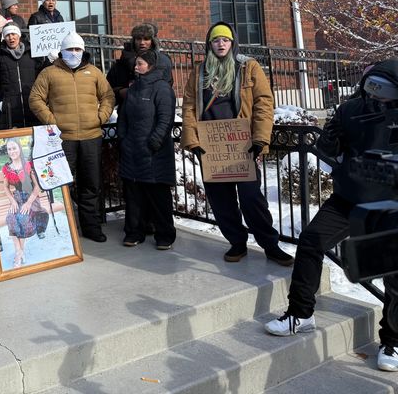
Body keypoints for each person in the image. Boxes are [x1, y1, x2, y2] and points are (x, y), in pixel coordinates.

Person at [264, 59, 398, 372]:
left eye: (385, 92)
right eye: (373, 89)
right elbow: (328, 150)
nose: (377, 97)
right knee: (311, 241)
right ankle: (301, 314)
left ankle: (392, 341)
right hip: (347, 198)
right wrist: (331, 142)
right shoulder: (350, 110)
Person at [181, 22, 293, 265]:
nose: (220, 44)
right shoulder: (199, 71)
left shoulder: (249, 67)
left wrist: (260, 139)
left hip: (242, 145)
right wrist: (193, 141)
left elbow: (264, 103)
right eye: (215, 40)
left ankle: (270, 245)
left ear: (232, 43)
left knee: (251, 198)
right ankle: (237, 242)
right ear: (209, 44)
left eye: (225, 40)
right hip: (211, 147)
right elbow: (189, 107)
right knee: (221, 201)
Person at [29, 32, 115, 242]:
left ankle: (91, 226)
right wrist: (51, 121)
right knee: (60, 186)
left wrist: (101, 116)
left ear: (83, 51)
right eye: (70, 49)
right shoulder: (49, 73)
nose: (74, 53)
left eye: (77, 49)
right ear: (62, 51)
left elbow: (108, 96)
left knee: (91, 184)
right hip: (62, 139)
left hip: (91, 136)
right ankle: (63, 228)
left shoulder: (94, 72)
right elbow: (35, 98)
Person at [117, 50, 177, 250]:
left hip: (154, 154)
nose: (136, 67)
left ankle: (165, 235)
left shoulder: (161, 88)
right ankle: (134, 232)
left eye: (140, 63)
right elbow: (123, 116)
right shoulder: (134, 88)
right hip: (132, 151)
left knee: (158, 197)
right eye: (136, 63)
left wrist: (154, 142)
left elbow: (166, 118)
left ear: (151, 66)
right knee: (134, 197)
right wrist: (123, 138)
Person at [1, 138, 49, 268]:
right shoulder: (7, 168)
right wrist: (12, 201)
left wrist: (28, 203)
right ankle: (19, 251)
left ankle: (18, 254)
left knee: (22, 218)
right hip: (17, 198)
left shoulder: (28, 165)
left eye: (14, 148)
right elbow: (5, 187)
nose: (12, 151)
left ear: (20, 148)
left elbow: (37, 187)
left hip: (31, 199)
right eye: (9, 149)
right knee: (11, 218)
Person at [0, 23, 39, 129]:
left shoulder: (32, 54)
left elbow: (43, 76)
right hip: (10, 109)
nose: (11, 38)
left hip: (33, 106)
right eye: (7, 35)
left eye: (13, 34)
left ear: (19, 35)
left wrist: (51, 60)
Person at [107, 22, 173, 104]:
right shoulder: (121, 63)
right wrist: (121, 92)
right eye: (138, 39)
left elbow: (168, 85)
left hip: (154, 108)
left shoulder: (162, 61)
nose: (142, 42)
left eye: (146, 39)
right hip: (127, 108)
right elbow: (108, 90)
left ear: (153, 41)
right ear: (133, 40)